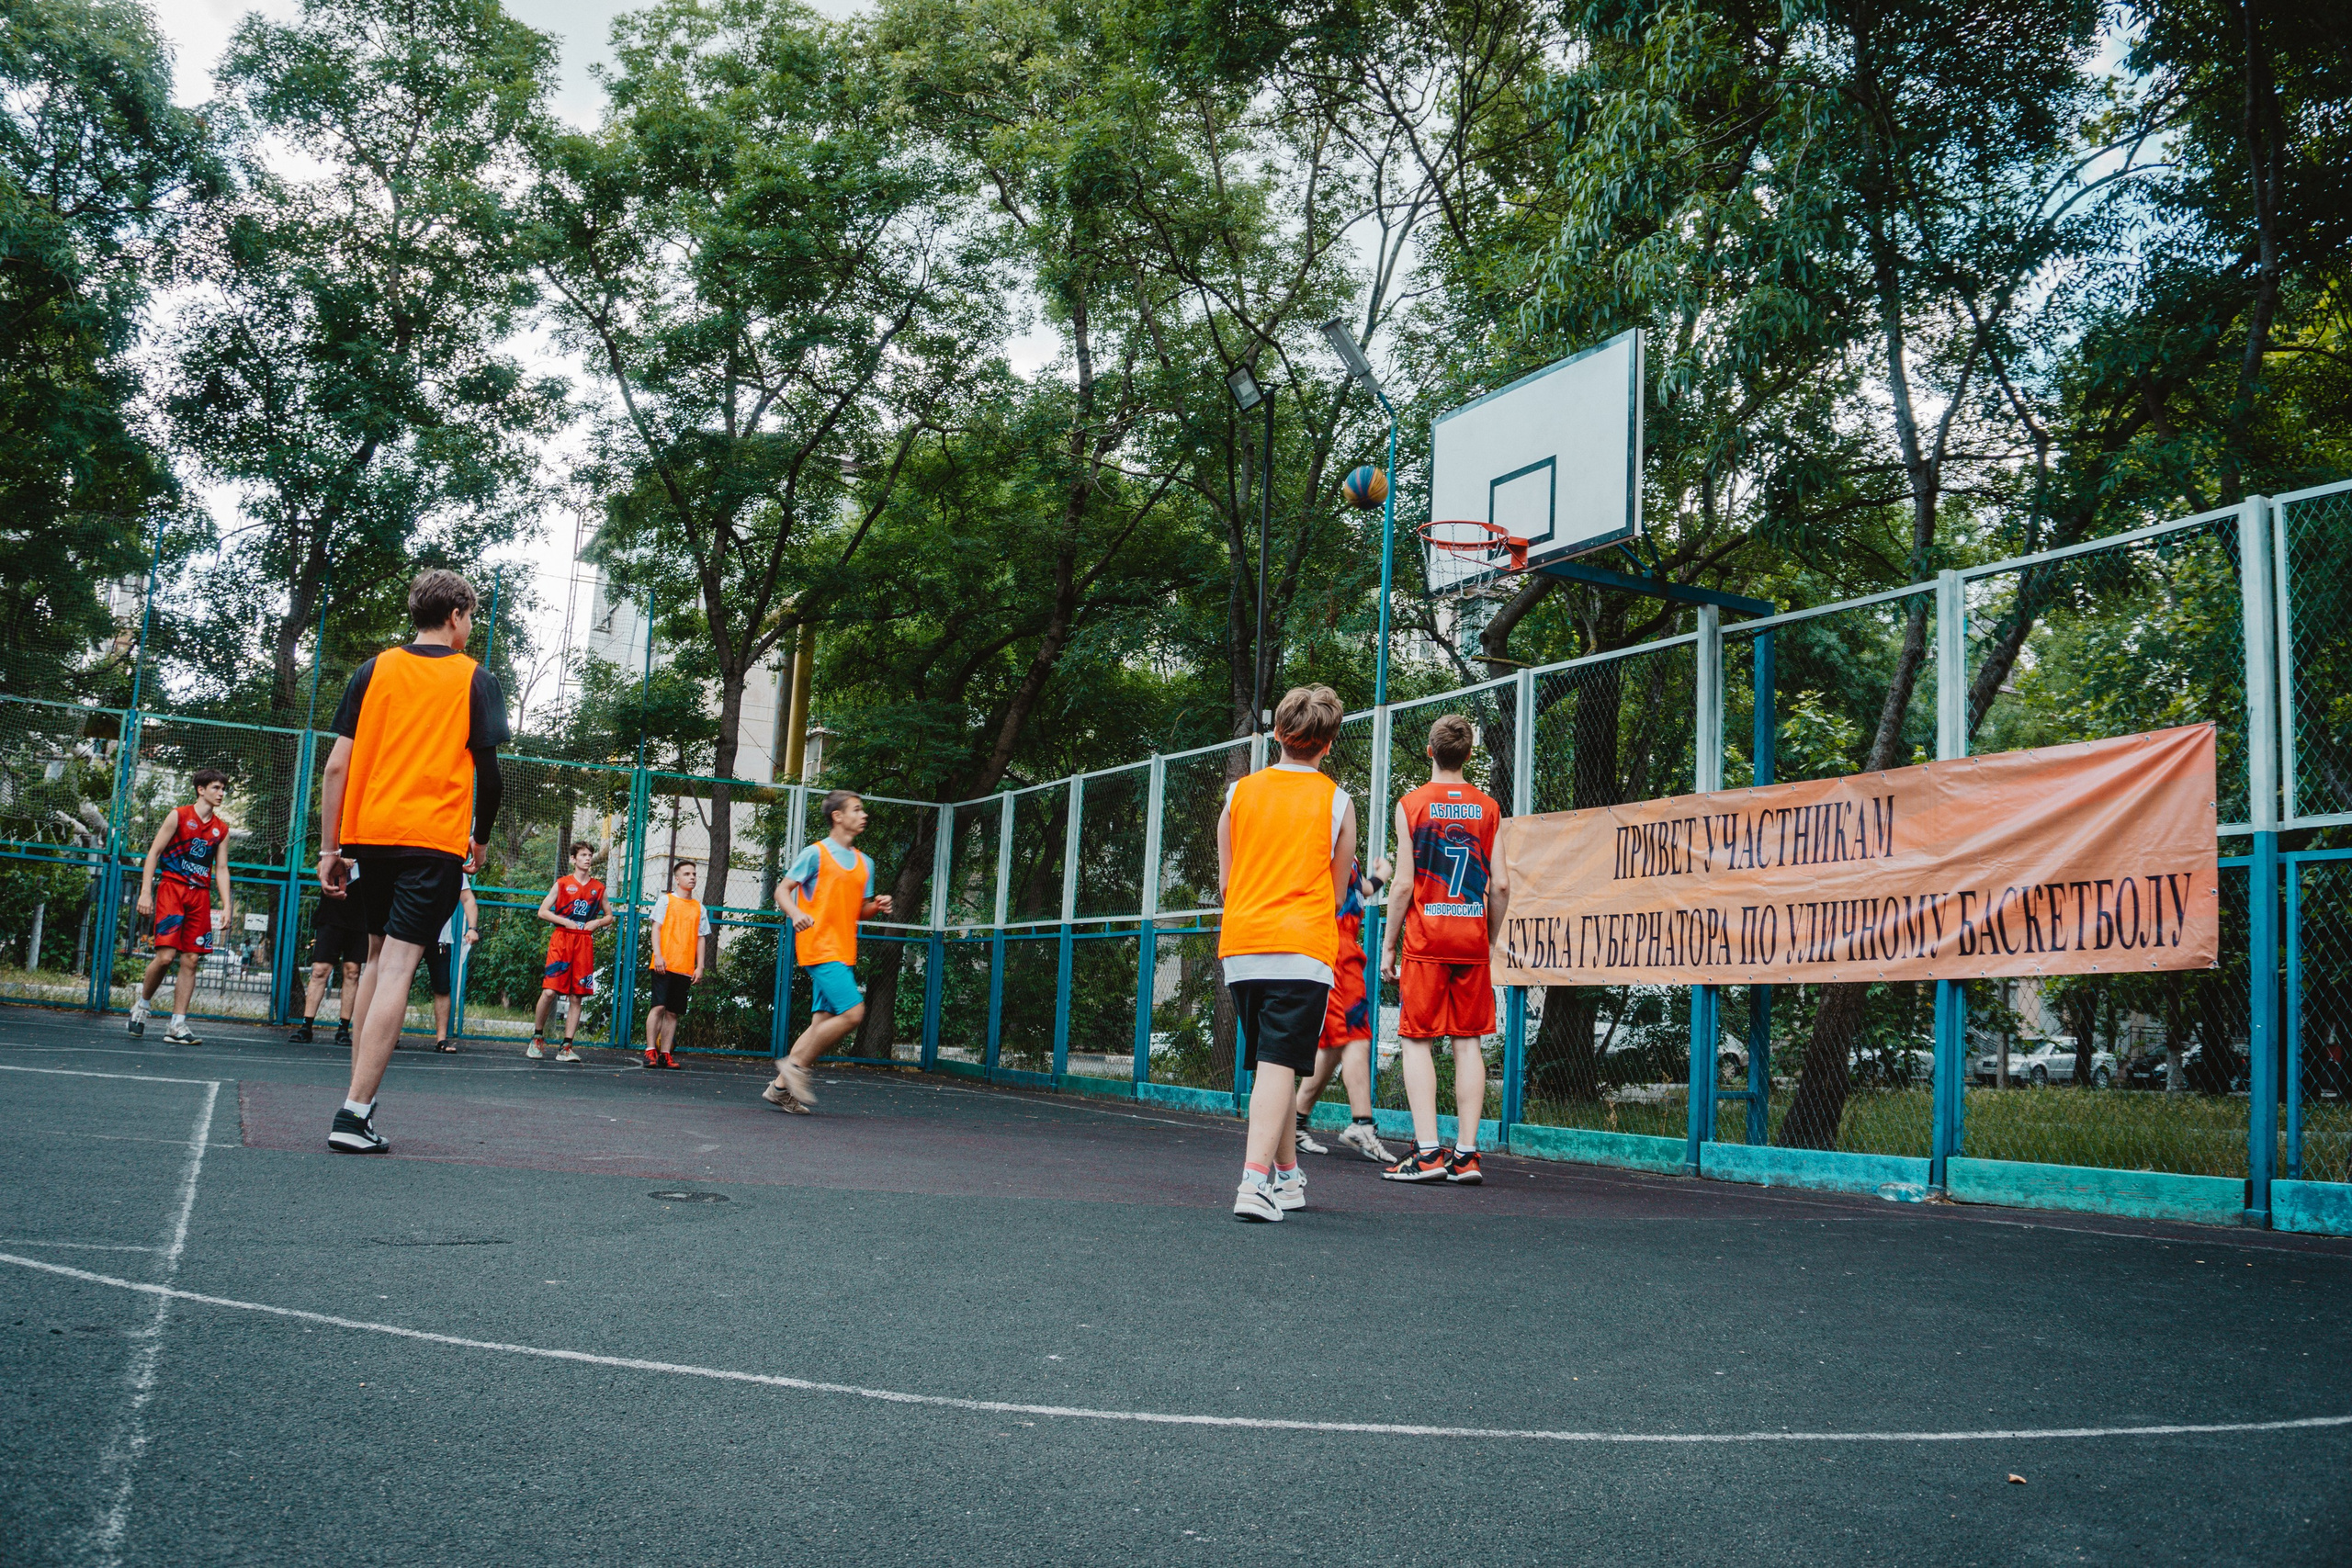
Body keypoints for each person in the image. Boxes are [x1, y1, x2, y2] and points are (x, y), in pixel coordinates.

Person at [314, 569, 508, 1155]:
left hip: (370, 836)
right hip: (431, 841)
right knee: (399, 967)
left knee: (376, 959)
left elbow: (334, 768)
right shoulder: (475, 678)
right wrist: (480, 838)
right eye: (470, 617)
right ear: (455, 616)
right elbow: (491, 775)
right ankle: (351, 1114)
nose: (470, 628)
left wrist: (332, 848)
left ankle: (359, 1103)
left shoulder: (375, 670)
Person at [1217, 684, 1356, 1223]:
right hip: (1302, 946)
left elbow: (1228, 884)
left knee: (1271, 1065)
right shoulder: (1337, 802)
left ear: (1277, 733)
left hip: (1244, 945)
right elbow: (1340, 893)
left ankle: (1289, 1178)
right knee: (1279, 1065)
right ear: (1328, 743)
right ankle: (1254, 1184)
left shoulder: (1238, 795)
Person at [1379, 713, 1501, 1185]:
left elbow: (1404, 885)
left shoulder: (1411, 805)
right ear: (1469, 755)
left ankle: (1428, 1153)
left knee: (1417, 1039)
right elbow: (1503, 886)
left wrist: (1390, 946)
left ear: (1429, 752)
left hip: (1427, 940)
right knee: (1468, 1042)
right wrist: (1486, 940)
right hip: (1471, 938)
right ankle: (1467, 1156)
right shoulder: (1488, 808)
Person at [764, 790, 893, 1112]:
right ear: (838, 816)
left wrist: (876, 906)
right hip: (818, 944)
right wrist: (795, 914)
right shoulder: (816, 854)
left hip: (844, 949)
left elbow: (858, 911)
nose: (864, 815)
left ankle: (780, 1090)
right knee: (854, 1014)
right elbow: (782, 890)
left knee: (821, 1020)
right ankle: (795, 1068)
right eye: (857, 810)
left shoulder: (865, 863)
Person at [1291, 856, 1397, 1165]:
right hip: (1334, 944)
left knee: (1337, 1041)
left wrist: (1379, 878)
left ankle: (1295, 1122)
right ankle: (1362, 1124)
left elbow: (1359, 887)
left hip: (1338, 945)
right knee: (1356, 1035)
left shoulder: (1340, 843)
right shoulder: (1325, 839)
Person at [128, 768, 233, 1045]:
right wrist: (145, 892)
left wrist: (227, 906)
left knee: (191, 959)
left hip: (199, 895)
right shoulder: (179, 815)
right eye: (216, 788)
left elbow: (221, 868)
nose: (221, 793)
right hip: (172, 890)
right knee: (165, 957)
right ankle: (141, 1006)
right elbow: (154, 853)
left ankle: (177, 1024)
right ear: (201, 789)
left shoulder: (221, 830)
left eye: (223, 789)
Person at [527, 841, 612, 1061]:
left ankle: (566, 1047)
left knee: (577, 996)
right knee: (549, 992)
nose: (588, 858)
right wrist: (566, 922)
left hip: (584, 942)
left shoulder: (599, 888)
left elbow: (610, 916)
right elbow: (543, 912)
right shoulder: (562, 884)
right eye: (583, 855)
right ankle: (537, 1038)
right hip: (562, 940)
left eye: (590, 855)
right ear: (573, 859)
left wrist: (599, 922)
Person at [290, 861, 366, 1046]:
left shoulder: (373, 846)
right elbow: (319, 868)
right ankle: (306, 1027)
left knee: (352, 971)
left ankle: (343, 1029)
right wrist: (337, 862)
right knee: (320, 970)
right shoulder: (338, 842)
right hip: (332, 913)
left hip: (361, 913)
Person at [643, 860, 707, 1070]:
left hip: (684, 967)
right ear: (677, 879)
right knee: (659, 1006)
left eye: (694, 874)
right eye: (687, 874)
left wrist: (700, 966)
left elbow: (701, 938)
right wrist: (658, 955)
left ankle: (665, 1054)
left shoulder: (699, 908)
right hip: (664, 964)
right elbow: (656, 928)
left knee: (672, 1012)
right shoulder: (666, 901)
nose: (692, 877)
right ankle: (650, 1050)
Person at [424, 874, 477, 1053]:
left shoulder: (454, 868)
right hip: (410, 937)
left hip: (441, 939)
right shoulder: (412, 857)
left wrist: (472, 928)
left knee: (442, 989)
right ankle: (390, 1038)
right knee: (398, 986)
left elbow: (468, 898)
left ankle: (441, 1040)